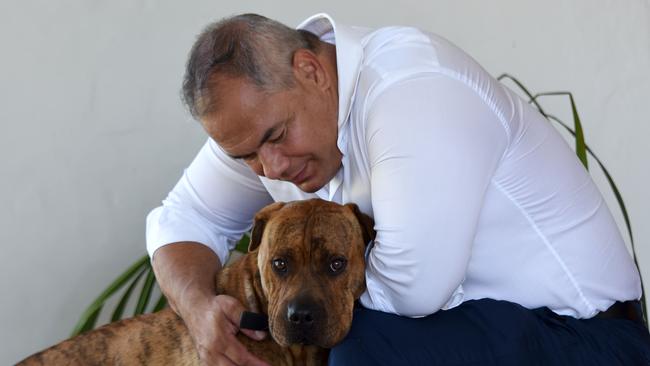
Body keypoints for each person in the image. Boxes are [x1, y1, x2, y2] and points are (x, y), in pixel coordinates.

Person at [146, 12, 650, 366]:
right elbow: (182, 219)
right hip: (481, 331)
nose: (269, 168)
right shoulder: (265, 118)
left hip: (585, 339)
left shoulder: (412, 88)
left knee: (363, 347)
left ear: (311, 71)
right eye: (247, 156)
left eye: (276, 138)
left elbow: (414, 288)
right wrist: (198, 309)